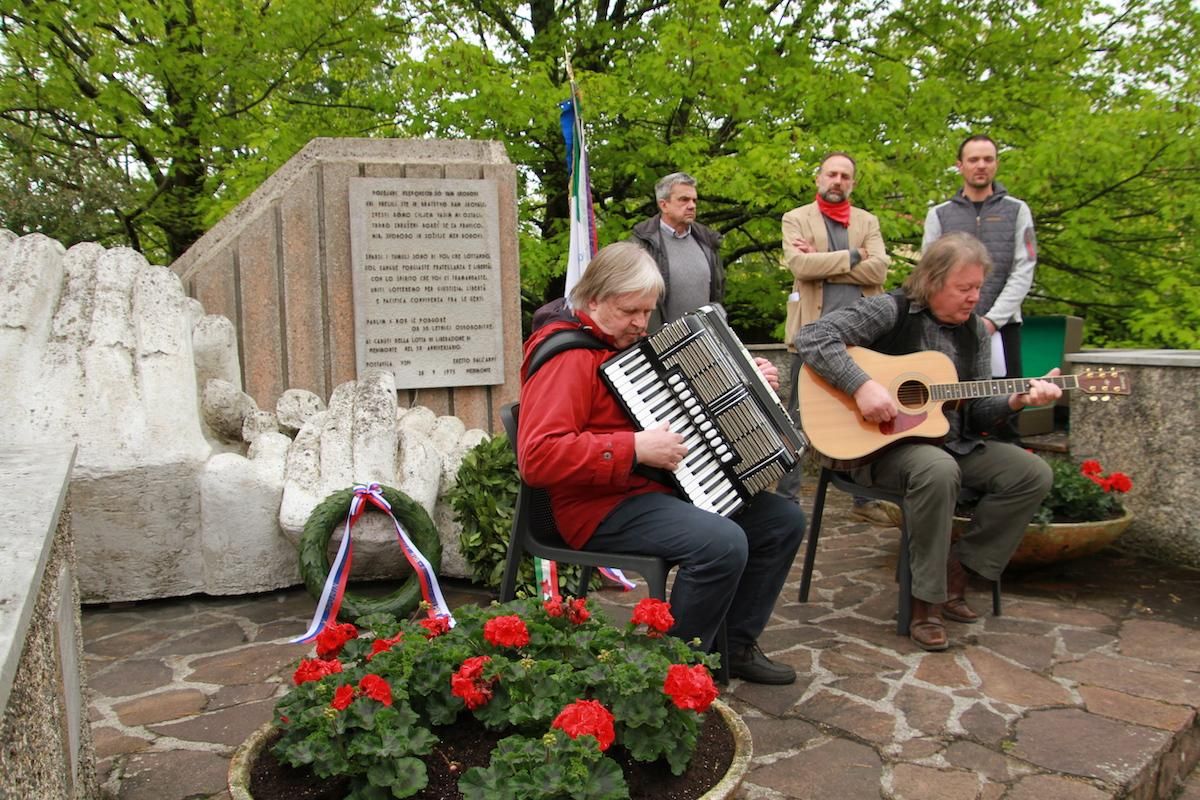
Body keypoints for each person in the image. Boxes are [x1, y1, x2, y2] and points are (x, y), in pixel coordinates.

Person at [518, 241, 806, 684]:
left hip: (654, 489)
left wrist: (749, 379)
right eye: (629, 311)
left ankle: (732, 647)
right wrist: (633, 449)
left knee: (781, 520)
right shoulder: (568, 358)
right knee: (721, 543)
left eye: (647, 311)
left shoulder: (621, 343)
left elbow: (690, 400)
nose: (640, 323)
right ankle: (669, 677)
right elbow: (538, 457)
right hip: (597, 507)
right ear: (593, 300)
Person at [796, 232, 1059, 651]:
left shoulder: (974, 332)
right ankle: (926, 603)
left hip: (950, 445)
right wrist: (861, 385)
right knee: (937, 470)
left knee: (1031, 473)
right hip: (878, 448)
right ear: (933, 281)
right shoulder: (890, 310)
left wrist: (1017, 400)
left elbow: (978, 412)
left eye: (978, 288)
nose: (974, 298)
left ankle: (961, 568)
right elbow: (813, 336)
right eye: (964, 288)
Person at [776, 151, 890, 523]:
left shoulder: (867, 221)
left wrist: (824, 261)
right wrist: (855, 256)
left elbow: (879, 271)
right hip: (811, 337)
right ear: (819, 178)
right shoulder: (796, 218)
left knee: (865, 415)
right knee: (796, 421)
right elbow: (800, 266)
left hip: (861, 339)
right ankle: (786, 501)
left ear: (852, 183)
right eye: (831, 174)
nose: (837, 181)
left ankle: (863, 500)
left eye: (844, 176)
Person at [923, 134, 1037, 382]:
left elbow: (1024, 268)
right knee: (950, 397)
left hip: (1004, 326)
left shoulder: (1018, 210)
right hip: (949, 328)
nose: (981, 165)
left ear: (996, 163)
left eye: (988, 159)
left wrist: (993, 320)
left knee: (1006, 399)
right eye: (974, 160)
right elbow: (930, 273)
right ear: (960, 165)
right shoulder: (939, 214)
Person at [628, 172, 725, 326]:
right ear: (663, 205)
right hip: (660, 337)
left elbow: (717, 295)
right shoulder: (642, 244)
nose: (692, 206)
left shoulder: (707, 241)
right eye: (684, 199)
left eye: (694, 200)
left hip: (704, 336)